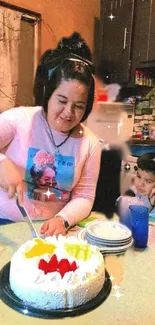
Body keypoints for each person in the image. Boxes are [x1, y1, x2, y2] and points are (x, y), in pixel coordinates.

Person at [0, 33, 101, 236]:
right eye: (62, 101)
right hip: (5, 223)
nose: (68, 113)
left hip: (52, 231)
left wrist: (62, 220)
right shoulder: (18, 120)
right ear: (48, 94)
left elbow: (85, 196)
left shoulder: (90, 143)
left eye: (79, 106)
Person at [117, 152, 155, 229]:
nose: (140, 183)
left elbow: (148, 223)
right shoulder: (138, 190)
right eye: (138, 176)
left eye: (148, 181)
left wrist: (151, 204)